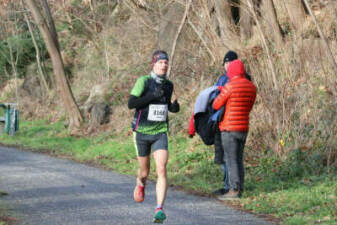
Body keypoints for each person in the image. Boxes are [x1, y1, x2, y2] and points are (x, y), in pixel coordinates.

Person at [128, 50, 179, 223]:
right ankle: (141, 183)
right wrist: (151, 96)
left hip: (160, 131)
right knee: (145, 171)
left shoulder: (169, 85)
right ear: (154, 64)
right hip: (141, 132)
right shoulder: (144, 81)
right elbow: (131, 103)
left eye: (166, 62)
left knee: (162, 168)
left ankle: (159, 209)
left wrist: (173, 107)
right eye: (161, 62)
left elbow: (165, 105)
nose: (164, 65)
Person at [213, 59, 256, 200]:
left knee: (230, 159)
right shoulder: (251, 87)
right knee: (238, 159)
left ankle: (234, 190)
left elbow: (216, 104)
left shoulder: (230, 86)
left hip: (229, 128)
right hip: (243, 128)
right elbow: (248, 107)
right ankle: (240, 188)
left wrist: (219, 93)